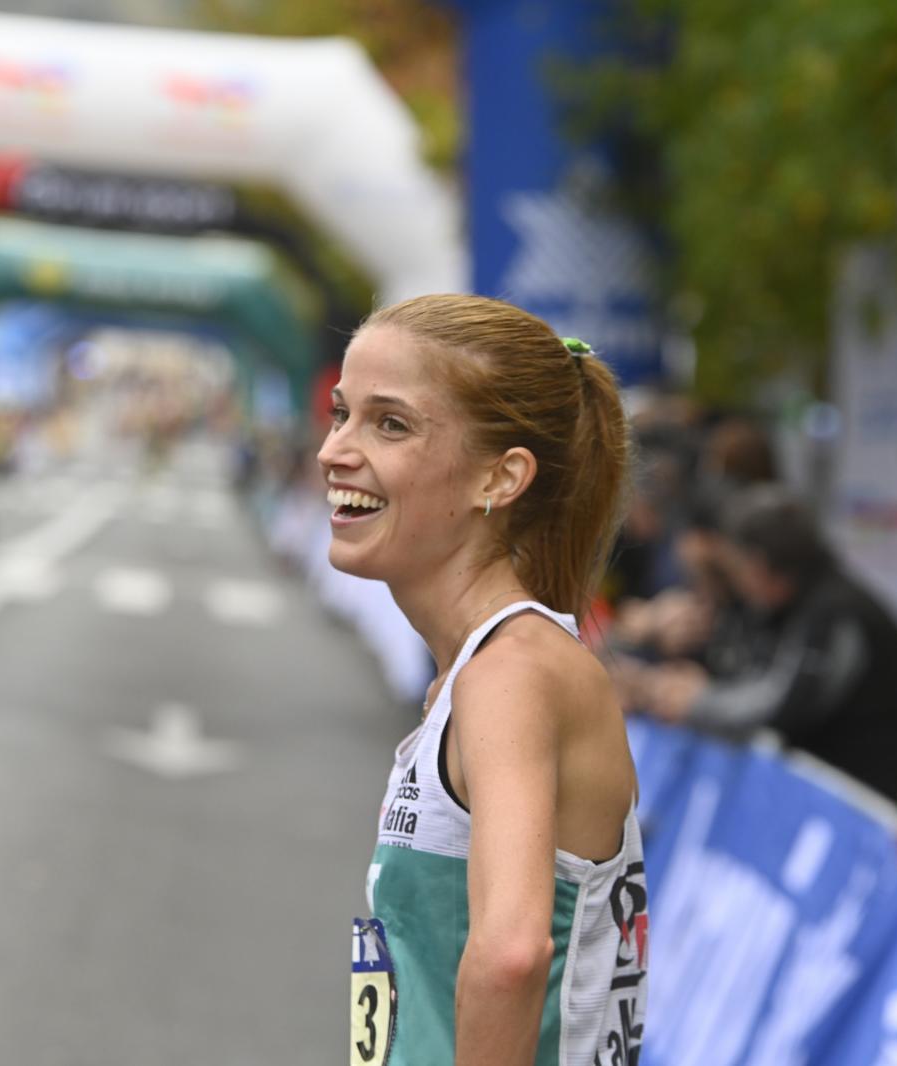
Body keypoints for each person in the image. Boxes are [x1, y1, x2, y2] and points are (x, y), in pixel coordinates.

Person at [320, 296, 647, 1064]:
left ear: (500, 479)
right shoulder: (489, 668)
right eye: (342, 414)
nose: (336, 449)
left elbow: (510, 954)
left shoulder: (511, 673)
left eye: (390, 424)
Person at [636, 485, 897, 802]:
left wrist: (698, 703)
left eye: (738, 568)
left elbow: (783, 702)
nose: (739, 584)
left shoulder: (836, 612)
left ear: (759, 564)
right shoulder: (792, 605)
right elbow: (756, 673)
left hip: (891, 790)